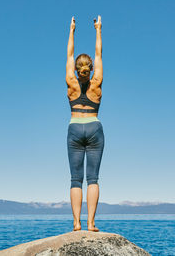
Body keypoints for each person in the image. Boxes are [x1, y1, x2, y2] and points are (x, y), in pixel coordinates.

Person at [66, 15, 104, 232]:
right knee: (93, 179)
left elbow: (69, 53)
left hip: (74, 127)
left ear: (77, 69)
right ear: (89, 69)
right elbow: (99, 53)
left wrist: (71, 30)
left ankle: (76, 223)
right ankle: (90, 223)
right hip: (94, 127)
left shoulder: (70, 81)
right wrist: (98, 29)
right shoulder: (96, 81)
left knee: (75, 179)